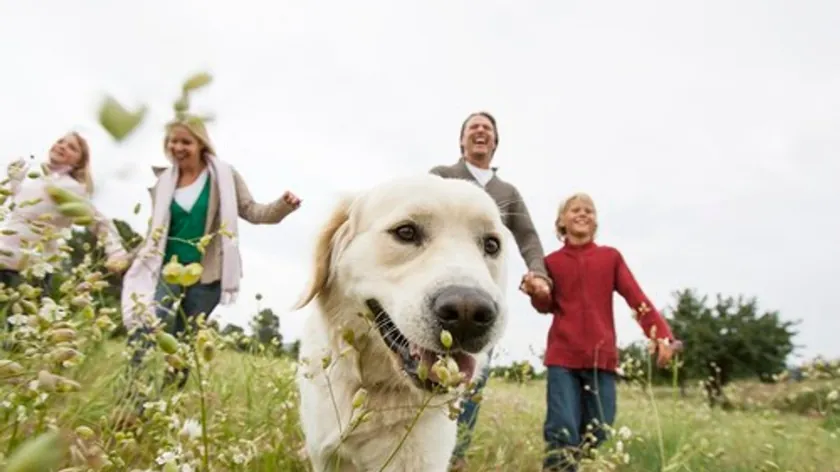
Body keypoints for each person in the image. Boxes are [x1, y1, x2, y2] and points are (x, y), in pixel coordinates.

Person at [121, 114, 302, 393]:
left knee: (180, 344)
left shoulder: (224, 176)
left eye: (185, 142)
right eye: (172, 142)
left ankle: (165, 402)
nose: (178, 148)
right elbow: (154, 234)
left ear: (201, 144)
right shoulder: (163, 183)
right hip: (166, 273)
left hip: (207, 276)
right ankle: (132, 399)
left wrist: (283, 206)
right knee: (144, 326)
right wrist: (127, 257)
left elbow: (253, 212)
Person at [429, 111, 552, 471]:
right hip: (439, 290)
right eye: (473, 128)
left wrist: (539, 273)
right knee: (424, 365)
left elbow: (527, 235)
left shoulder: (506, 193)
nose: (480, 132)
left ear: (495, 143)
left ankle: (457, 454)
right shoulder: (443, 176)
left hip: (483, 295)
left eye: (487, 129)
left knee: (471, 374)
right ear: (462, 141)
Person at [527, 192, 676, 471]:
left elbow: (637, 299)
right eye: (575, 210)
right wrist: (536, 291)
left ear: (595, 222)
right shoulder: (551, 263)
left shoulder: (610, 257)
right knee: (562, 430)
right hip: (563, 359)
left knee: (600, 429)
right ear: (561, 222)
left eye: (589, 211)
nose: (583, 214)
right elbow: (544, 305)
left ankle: (578, 466)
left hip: (601, 359)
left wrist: (661, 335)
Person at [1, 132, 128, 328]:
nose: (62, 146)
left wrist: (116, 253)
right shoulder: (37, 179)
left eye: (71, 147)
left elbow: (97, 220)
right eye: (60, 141)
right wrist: (15, 182)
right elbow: (20, 212)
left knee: (17, 337)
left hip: (29, 272)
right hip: (4, 259)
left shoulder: (71, 187)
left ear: (79, 162)